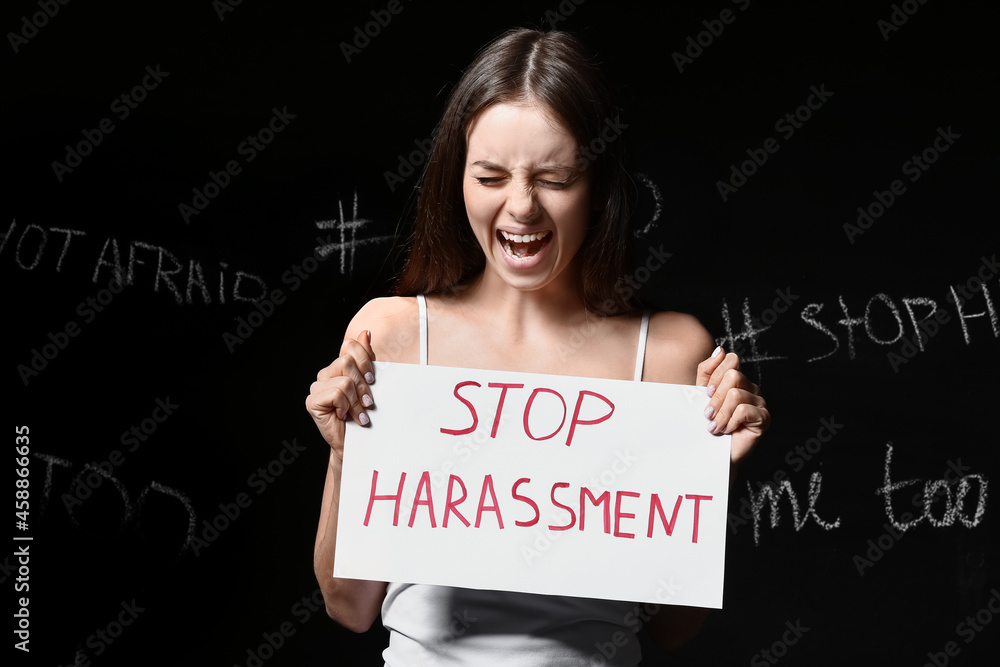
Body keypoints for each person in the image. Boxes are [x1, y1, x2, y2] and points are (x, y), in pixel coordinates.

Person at [306, 27, 769, 665]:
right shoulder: (392, 336)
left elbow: (672, 628)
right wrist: (344, 457)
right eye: (490, 176)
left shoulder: (669, 353)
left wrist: (712, 471)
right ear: (457, 180)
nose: (521, 206)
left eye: (555, 178)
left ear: (597, 187)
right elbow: (349, 607)